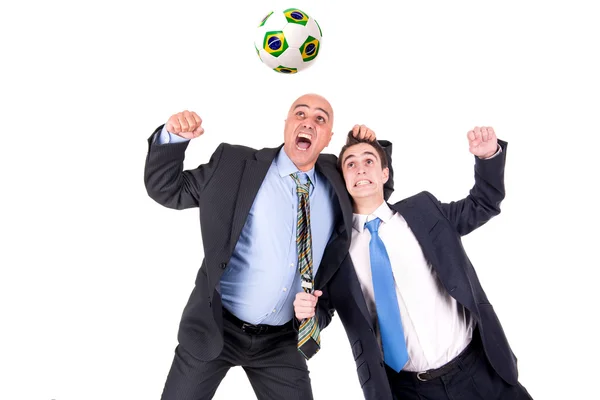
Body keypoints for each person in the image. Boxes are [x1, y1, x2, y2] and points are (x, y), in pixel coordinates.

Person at [144, 93, 393, 400]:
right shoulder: (235, 165)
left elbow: (376, 190)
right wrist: (173, 138)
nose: (308, 123)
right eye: (300, 114)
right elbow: (167, 189)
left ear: (328, 138)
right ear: (287, 124)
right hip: (217, 327)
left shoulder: (337, 178)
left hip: (281, 342)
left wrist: (366, 146)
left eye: (320, 119)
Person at [293, 127, 533, 399]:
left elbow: (483, 204)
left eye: (369, 161)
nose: (360, 169)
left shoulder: (425, 211)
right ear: (343, 179)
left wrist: (488, 156)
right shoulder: (335, 253)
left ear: (384, 174)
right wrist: (307, 313)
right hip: (408, 390)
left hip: (478, 371)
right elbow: (321, 313)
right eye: (351, 164)